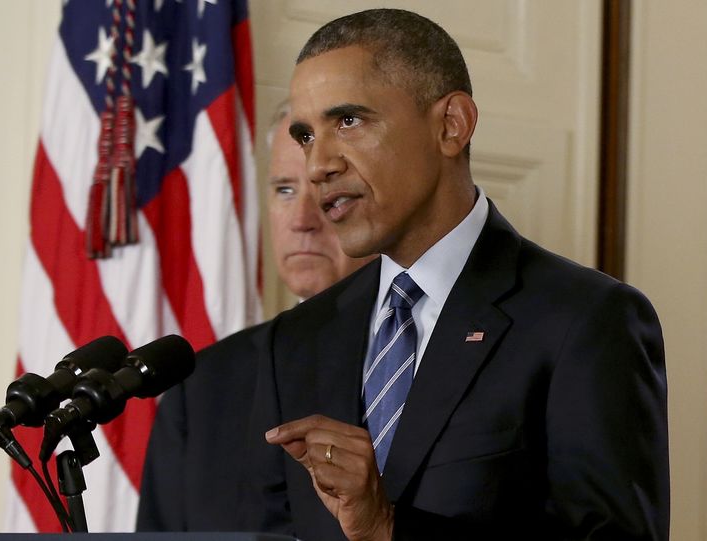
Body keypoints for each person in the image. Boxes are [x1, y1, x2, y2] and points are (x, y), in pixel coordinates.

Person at [251, 9, 669, 541]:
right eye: (307, 135)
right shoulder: (297, 338)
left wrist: (387, 528)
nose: (317, 166)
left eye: (349, 121)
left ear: (451, 125)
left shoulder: (586, 321)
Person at [135, 102, 375, 531]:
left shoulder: (423, 356)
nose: (302, 220)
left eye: (328, 189)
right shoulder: (202, 383)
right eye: (284, 189)